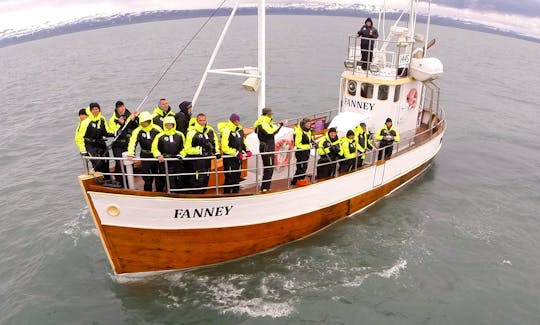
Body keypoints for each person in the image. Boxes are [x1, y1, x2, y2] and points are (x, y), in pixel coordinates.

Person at [75, 102, 115, 180]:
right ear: (90, 110)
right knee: (97, 163)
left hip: (100, 143)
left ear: (99, 110)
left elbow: (106, 132)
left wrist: (116, 133)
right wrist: (83, 150)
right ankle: (99, 178)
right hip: (90, 145)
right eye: (93, 109)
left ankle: (108, 179)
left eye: (97, 109)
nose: (95, 111)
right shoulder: (86, 122)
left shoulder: (102, 119)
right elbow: (79, 137)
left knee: (106, 161)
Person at [127, 111, 163, 191]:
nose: (144, 123)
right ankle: (148, 191)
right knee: (147, 177)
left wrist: (162, 154)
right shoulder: (137, 131)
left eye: (146, 122)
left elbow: (163, 141)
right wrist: (131, 153)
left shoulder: (157, 129)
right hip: (145, 155)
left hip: (156, 156)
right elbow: (132, 142)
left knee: (158, 176)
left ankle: (160, 192)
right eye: (142, 122)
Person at [184, 113, 220, 194]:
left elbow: (215, 142)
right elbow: (187, 149)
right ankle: (196, 196)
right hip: (197, 161)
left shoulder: (210, 130)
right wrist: (200, 150)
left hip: (207, 160)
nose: (202, 122)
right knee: (197, 180)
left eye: (204, 120)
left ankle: (203, 194)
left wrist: (216, 151)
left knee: (206, 178)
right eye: (200, 120)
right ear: (197, 120)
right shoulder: (191, 132)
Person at [253, 108, 285, 192]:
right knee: (269, 168)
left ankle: (265, 187)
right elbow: (271, 132)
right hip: (267, 149)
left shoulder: (261, 122)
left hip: (265, 148)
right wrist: (280, 125)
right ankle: (265, 188)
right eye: (271, 114)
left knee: (268, 168)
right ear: (268, 114)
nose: (271, 115)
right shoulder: (264, 123)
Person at [219, 113, 252, 194]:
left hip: (238, 158)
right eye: (236, 121)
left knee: (237, 176)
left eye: (238, 120)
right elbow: (224, 147)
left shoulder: (240, 129)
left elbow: (243, 141)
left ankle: (235, 193)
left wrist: (247, 150)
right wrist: (236, 153)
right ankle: (226, 194)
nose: (238, 122)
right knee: (230, 177)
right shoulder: (227, 131)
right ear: (232, 121)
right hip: (229, 159)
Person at [151, 115, 186, 192]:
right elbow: (154, 148)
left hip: (176, 160)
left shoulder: (180, 135)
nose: (169, 126)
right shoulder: (159, 136)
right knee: (162, 179)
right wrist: (158, 155)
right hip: (164, 161)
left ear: (173, 124)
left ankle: (176, 193)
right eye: (167, 124)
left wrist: (181, 154)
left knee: (177, 179)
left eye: (170, 124)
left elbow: (184, 147)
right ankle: (161, 194)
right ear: (164, 125)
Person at [109, 100, 139, 186]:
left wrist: (135, 118)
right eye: (119, 107)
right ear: (116, 109)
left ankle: (129, 180)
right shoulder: (113, 119)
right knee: (120, 163)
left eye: (122, 106)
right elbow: (115, 132)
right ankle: (120, 182)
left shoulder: (129, 116)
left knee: (130, 162)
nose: (121, 109)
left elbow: (135, 127)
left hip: (128, 144)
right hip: (118, 144)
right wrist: (120, 123)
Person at [291, 118, 313, 185]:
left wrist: (313, 142)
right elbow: (297, 144)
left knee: (304, 167)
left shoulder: (308, 131)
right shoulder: (299, 131)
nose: (309, 125)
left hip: (306, 151)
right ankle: (298, 181)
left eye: (310, 123)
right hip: (301, 152)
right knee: (300, 168)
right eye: (308, 124)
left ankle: (297, 181)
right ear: (304, 124)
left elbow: (310, 140)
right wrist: (309, 146)